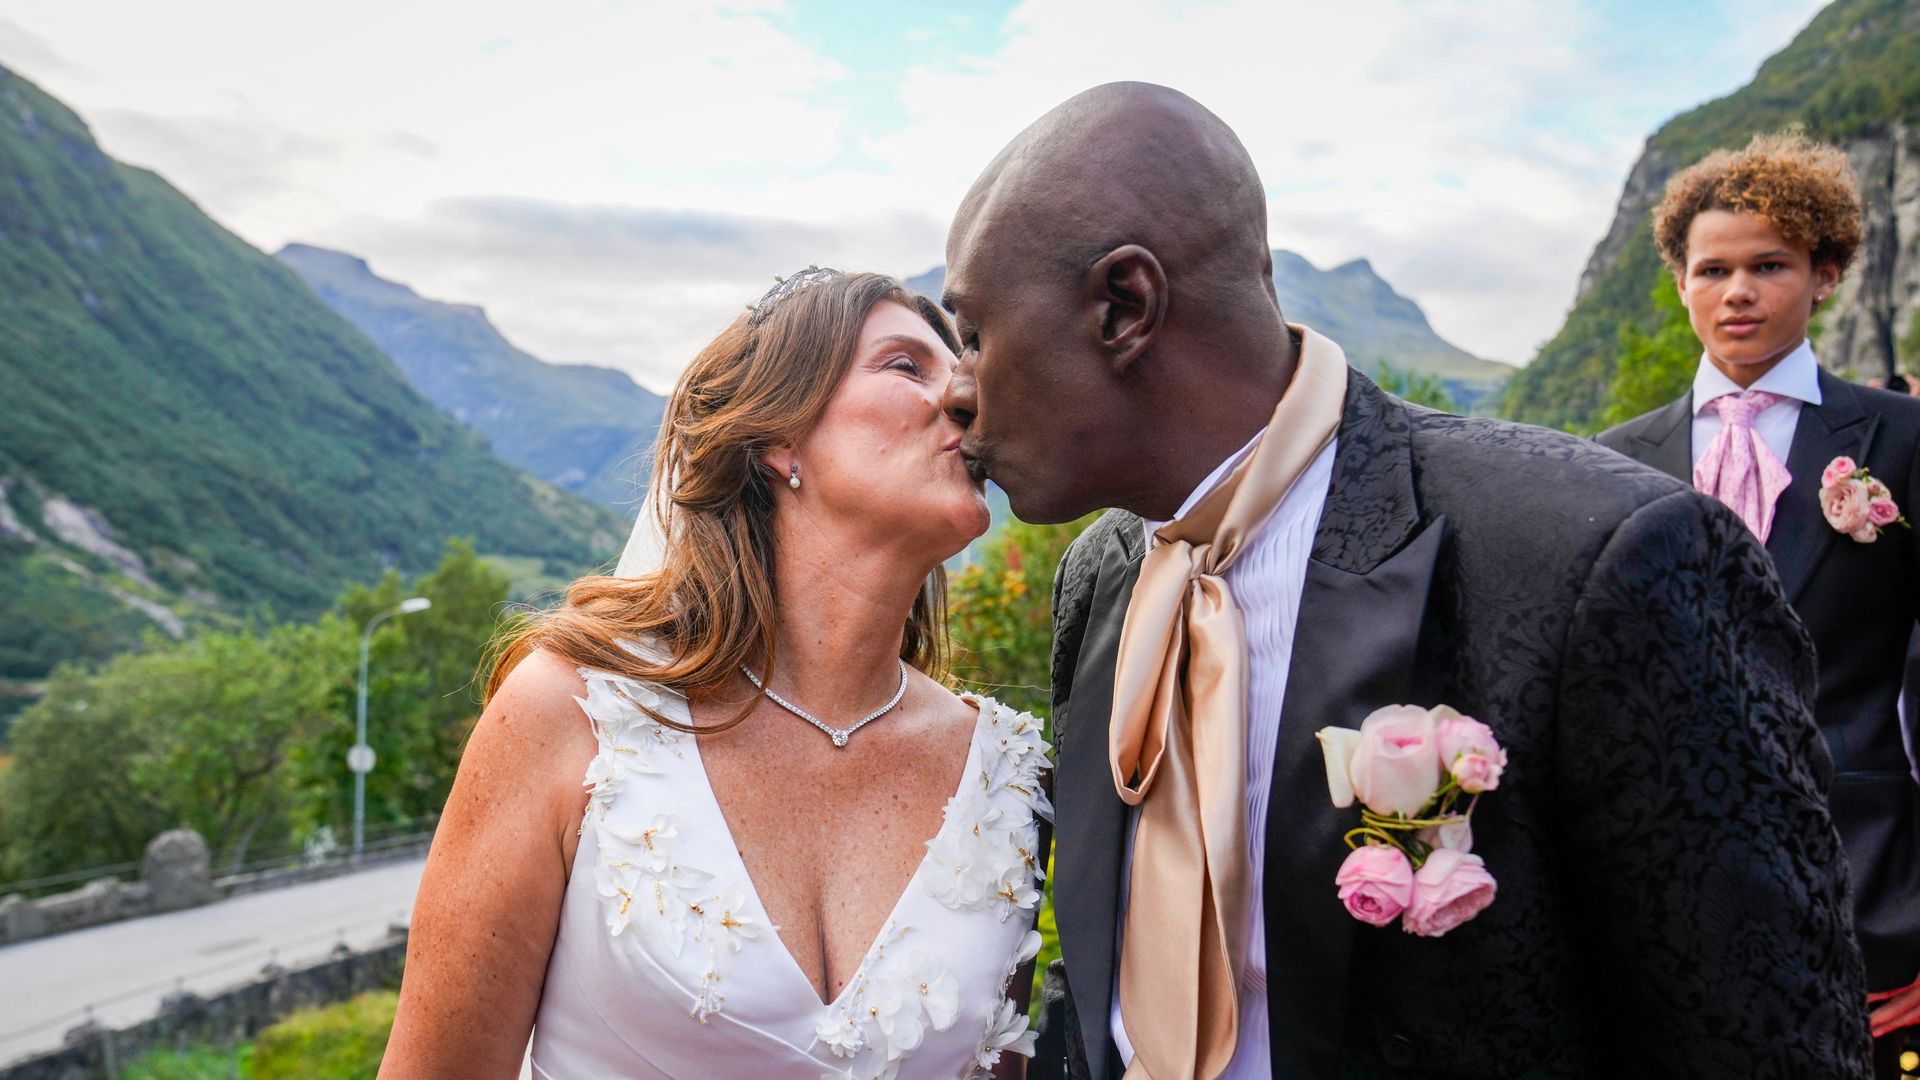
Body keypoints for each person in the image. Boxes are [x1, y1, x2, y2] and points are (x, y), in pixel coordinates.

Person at [937, 83, 1871, 1078]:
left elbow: (1770, 1045)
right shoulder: (1102, 577)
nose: (957, 389)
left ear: (1124, 306)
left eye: (975, 335)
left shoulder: (1601, 555)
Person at [380, 270, 1050, 1080]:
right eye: (906, 366)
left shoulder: (1006, 776)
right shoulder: (575, 713)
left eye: (963, 370)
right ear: (780, 442)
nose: (966, 398)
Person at [1597, 133, 1920, 1077]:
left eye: (1769, 265)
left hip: (1871, 889)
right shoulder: (1613, 456)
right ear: (1682, 283)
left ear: (1825, 274)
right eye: (1713, 269)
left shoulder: (1901, 440)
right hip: (1666, 893)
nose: (1737, 290)